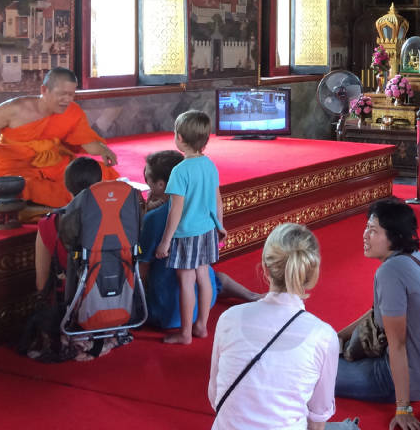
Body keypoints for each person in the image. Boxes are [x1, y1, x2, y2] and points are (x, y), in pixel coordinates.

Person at [209, 222, 340, 430]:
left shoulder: (229, 318)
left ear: (265, 268)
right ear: (312, 274)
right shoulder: (323, 336)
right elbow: (317, 419)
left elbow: (215, 395)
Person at [335, 198, 420, 430]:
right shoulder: (416, 256)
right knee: (325, 352)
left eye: (373, 230)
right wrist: (338, 335)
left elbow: (398, 345)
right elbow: (378, 312)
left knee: (312, 370)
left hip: (406, 377)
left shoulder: (390, 272)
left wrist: (403, 408)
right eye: (366, 227)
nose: (365, 235)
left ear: (394, 237)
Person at [0, 67, 119, 208]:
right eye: (61, 94)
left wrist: (103, 149)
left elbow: (86, 141)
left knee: (101, 172)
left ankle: (73, 203)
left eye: (71, 94)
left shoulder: (72, 111)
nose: (67, 100)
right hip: (14, 166)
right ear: (44, 90)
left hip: (52, 163)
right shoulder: (15, 109)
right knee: (26, 186)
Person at [140, 149, 259, 331]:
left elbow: (142, 270)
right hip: (205, 301)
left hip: (167, 313)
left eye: (147, 177)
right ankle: (251, 296)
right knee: (209, 274)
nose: (145, 181)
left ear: (162, 185)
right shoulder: (202, 207)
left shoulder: (154, 218)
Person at [154, 110, 225, 345]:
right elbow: (217, 198)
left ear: (180, 138)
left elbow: (175, 211)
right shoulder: (210, 165)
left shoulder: (179, 171)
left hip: (186, 234)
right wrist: (220, 225)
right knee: (204, 276)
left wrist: (165, 242)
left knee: (186, 281)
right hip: (206, 230)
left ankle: (185, 333)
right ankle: (202, 325)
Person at [34, 156, 103, 294]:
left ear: (66, 186)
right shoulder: (114, 217)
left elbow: (41, 285)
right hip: (112, 298)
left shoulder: (48, 224)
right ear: (99, 184)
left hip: (70, 302)